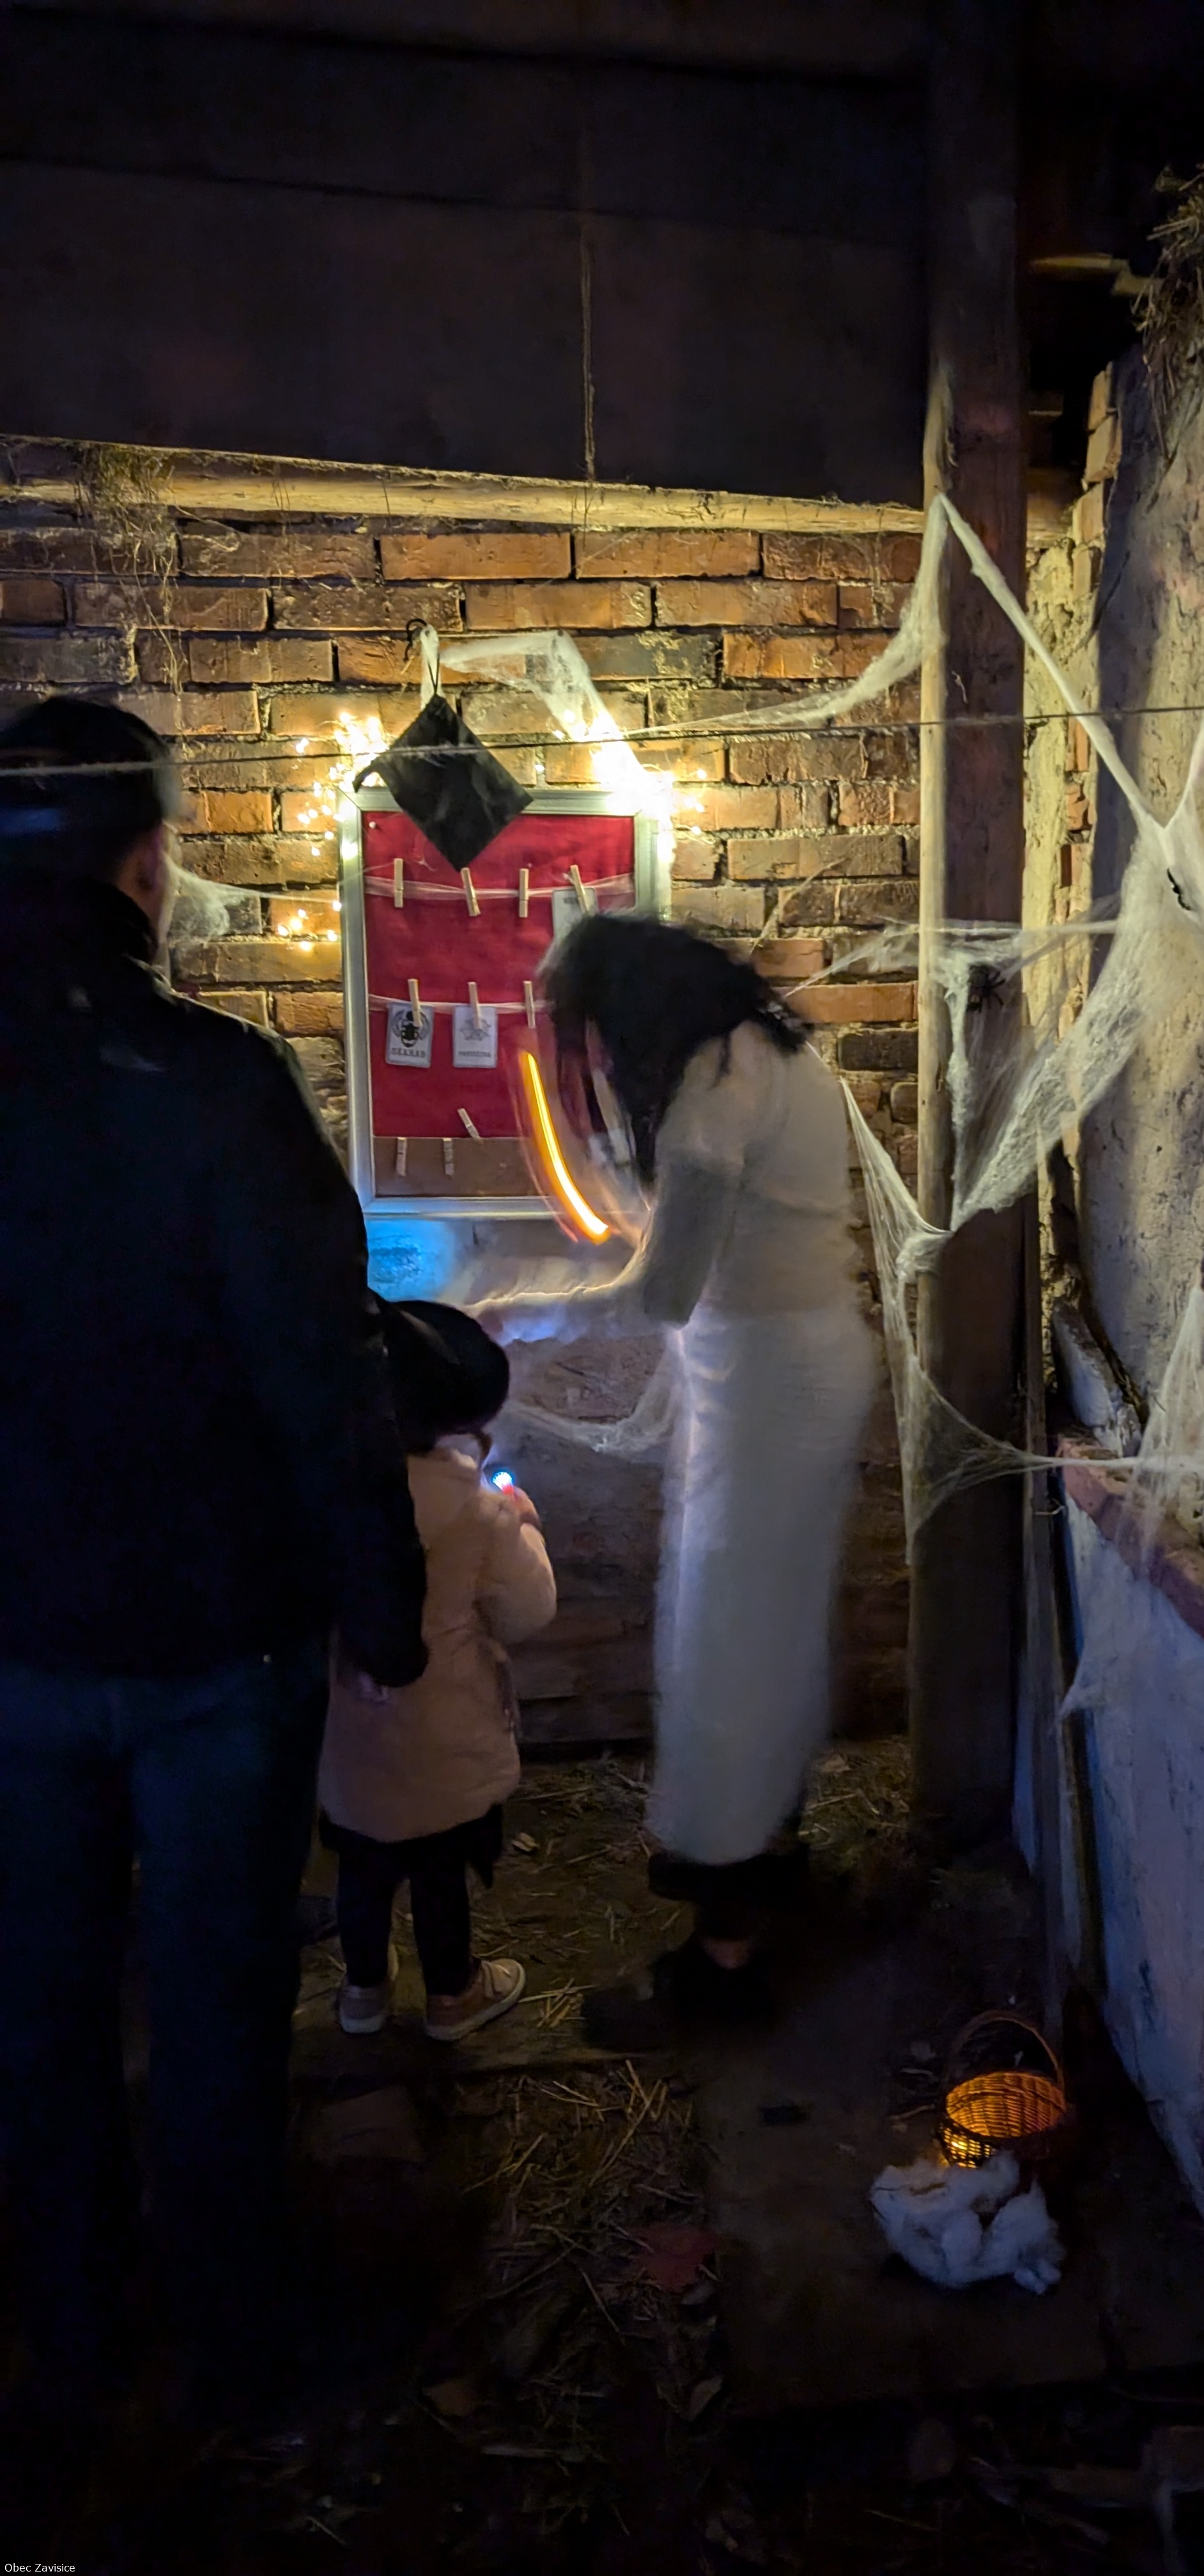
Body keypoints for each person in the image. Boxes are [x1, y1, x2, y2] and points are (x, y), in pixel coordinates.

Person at [0, 698, 427, 2428]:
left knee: (37, 1998)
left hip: (17, 1647)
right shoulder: (213, 1084)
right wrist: (384, 1600)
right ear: (144, 865)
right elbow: (322, 1369)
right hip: (213, 1647)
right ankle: (239, 2335)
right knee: (217, 1989)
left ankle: (72, 2322)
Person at [492, 912, 875, 2048]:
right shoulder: (764, 1055)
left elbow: (660, 1292)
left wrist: (507, 1315)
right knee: (764, 1629)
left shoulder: (714, 1097)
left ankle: (725, 1958)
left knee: (726, 1646)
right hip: (780, 1367)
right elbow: (684, 1247)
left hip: (770, 1381)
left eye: (591, 1033)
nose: (594, 1056)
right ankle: (767, 1852)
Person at [318, 1300, 556, 2041]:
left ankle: (362, 1993)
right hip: (444, 1731)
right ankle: (453, 1994)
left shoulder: (328, 1494)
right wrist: (525, 1526)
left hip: (352, 1729)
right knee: (438, 1871)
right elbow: (528, 1610)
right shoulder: (480, 1511)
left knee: (361, 1865)